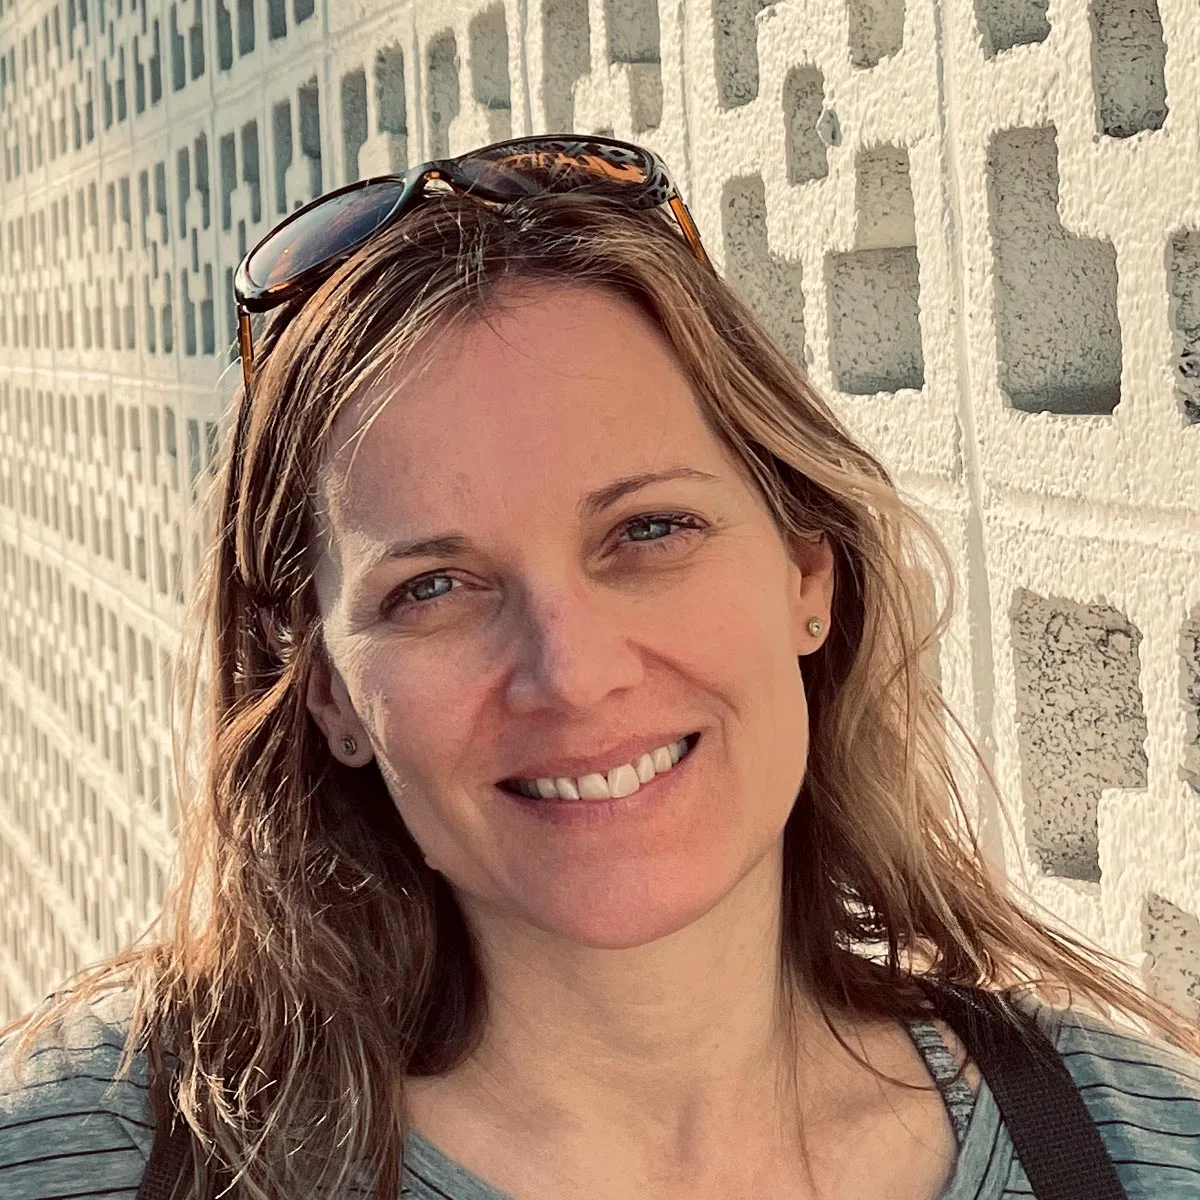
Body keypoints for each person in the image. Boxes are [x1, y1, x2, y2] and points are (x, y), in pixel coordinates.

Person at [1, 136, 1198, 1200]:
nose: (569, 673)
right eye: (432, 588)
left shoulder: (1142, 1150)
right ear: (328, 694)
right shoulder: (104, 1152)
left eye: (648, 531)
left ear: (806, 575)